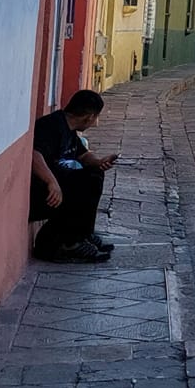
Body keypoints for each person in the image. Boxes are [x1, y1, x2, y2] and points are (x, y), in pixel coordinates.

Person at [29, 90, 118, 263]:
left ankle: (82, 234)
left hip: (59, 186)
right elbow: (34, 154)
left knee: (95, 174)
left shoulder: (69, 129)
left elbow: (83, 155)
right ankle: (70, 242)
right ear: (89, 117)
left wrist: (98, 162)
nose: (95, 123)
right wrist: (51, 182)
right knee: (87, 184)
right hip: (43, 192)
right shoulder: (51, 126)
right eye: (96, 118)